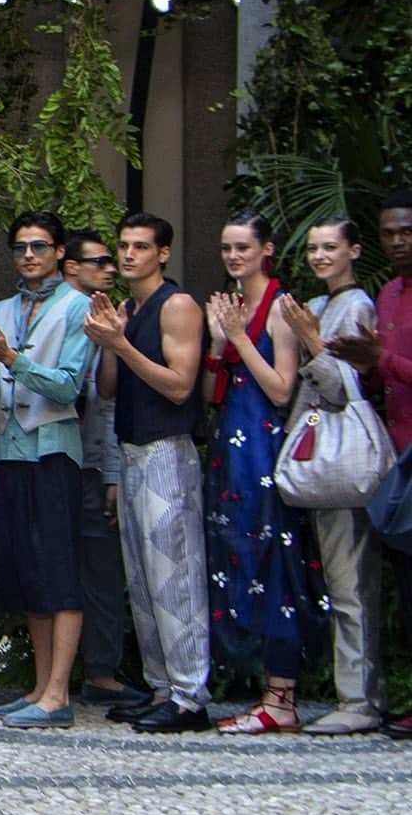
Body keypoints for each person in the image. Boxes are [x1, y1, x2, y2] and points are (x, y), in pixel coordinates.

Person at [0, 211, 93, 728]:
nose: (28, 255)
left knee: (57, 568)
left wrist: (12, 357)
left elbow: (69, 387)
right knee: (27, 570)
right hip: (9, 452)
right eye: (19, 247)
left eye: (39, 246)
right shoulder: (0, 311)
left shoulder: (79, 307)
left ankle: (58, 693)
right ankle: (39, 688)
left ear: (59, 252)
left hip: (53, 450)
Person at [84, 212, 211, 733]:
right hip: (131, 448)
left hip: (168, 448)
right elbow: (110, 388)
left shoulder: (177, 305)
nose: (129, 254)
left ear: (163, 253)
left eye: (140, 246)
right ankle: (161, 686)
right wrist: (108, 340)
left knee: (174, 573)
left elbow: (180, 385)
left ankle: (190, 695)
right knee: (141, 575)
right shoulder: (128, 308)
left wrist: (121, 344)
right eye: (123, 246)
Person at [202, 212, 326, 733]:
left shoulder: (278, 306)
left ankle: (282, 696)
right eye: (227, 248)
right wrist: (216, 341)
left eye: (243, 248)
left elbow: (281, 389)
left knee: (277, 561)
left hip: (266, 446)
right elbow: (211, 392)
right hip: (232, 444)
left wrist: (239, 338)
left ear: (266, 250)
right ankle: (265, 692)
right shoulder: (233, 306)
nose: (233, 257)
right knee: (241, 557)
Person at [280, 216, 385, 734]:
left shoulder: (358, 305)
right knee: (336, 580)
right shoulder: (318, 306)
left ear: (354, 251)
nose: (320, 256)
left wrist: (311, 341)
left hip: (343, 453)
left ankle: (360, 700)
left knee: (351, 584)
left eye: (330, 248)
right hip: (318, 450)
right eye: (314, 248)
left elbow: (345, 389)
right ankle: (351, 692)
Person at [327, 190, 412, 739]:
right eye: (389, 233)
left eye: (406, 231)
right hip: (399, 460)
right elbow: (380, 378)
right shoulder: (387, 293)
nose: (398, 241)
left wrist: (380, 359)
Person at [59, 231, 148, 707]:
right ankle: (55, 671)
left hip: (93, 460)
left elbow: (109, 400)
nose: (111, 269)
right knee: (57, 567)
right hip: (49, 458)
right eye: (99, 262)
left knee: (102, 571)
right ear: (70, 267)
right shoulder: (52, 314)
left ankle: (102, 669)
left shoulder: (107, 317)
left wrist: (113, 472)